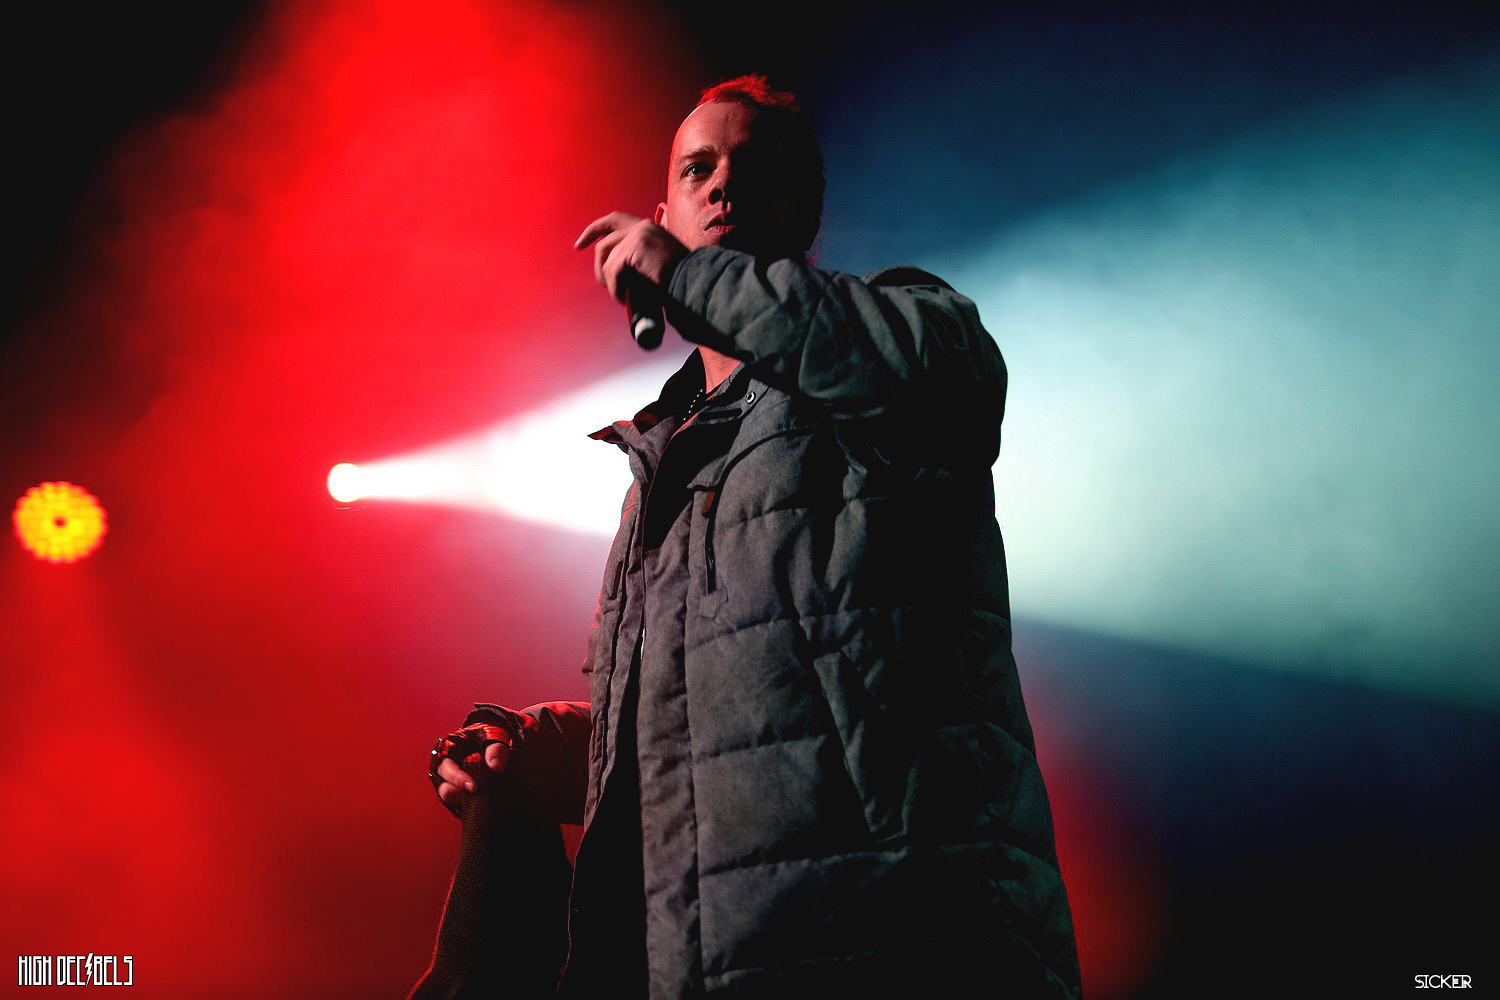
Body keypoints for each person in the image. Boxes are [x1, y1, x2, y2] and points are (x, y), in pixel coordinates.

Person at [421, 75, 1080, 999]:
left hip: (904, 944)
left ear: (807, 207)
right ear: (665, 213)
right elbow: (716, 723)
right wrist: (541, 752)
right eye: (698, 169)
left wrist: (694, 282)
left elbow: (930, 376)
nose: (723, 183)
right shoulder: (662, 464)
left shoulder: (900, 348)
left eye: (755, 168)